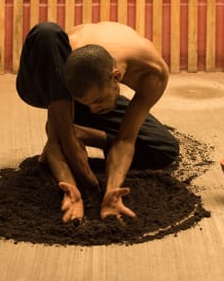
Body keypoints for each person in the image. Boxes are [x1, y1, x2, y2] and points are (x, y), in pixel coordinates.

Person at [16, 21, 179, 223]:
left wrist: (113, 190)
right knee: (47, 33)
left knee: (164, 149)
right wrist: (69, 186)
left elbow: (126, 139)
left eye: (98, 102)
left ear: (116, 77)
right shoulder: (67, 64)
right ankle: (70, 131)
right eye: (88, 105)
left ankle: (79, 132)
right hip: (39, 86)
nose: (93, 111)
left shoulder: (153, 72)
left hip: (88, 88)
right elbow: (55, 140)